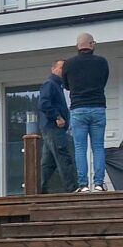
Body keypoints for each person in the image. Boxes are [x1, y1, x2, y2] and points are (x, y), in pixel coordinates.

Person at [62, 32, 110, 192]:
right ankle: (98, 184)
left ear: (78, 46)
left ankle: (83, 185)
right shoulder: (102, 62)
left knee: (80, 148)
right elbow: (103, 81)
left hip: (78, 109)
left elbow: (67, 85)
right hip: (97, 108)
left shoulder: (69, 64)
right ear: (92, 44)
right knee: (98, 146)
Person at [38, 59, 77, 193]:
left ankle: (39, 189)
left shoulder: (59, 86)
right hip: (53, 127)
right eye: (61, 68)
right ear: (53, 69)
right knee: (63, 157)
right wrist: (57, 117)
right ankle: (72, 188)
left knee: (48, 163)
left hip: (50, 128)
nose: (63, 71)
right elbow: (43, 104)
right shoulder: (50, 84)